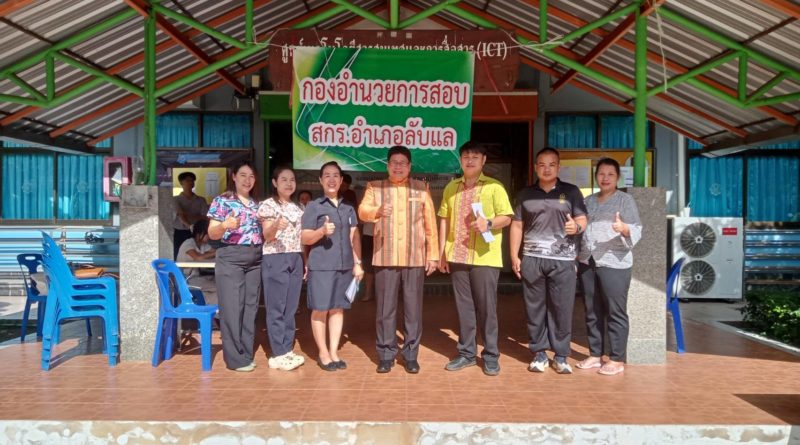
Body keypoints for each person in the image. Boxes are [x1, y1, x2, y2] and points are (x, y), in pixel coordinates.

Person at [358, 146, 439, 374]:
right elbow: (362, 211)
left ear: (410, 166)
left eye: (403, 163)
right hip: (385, 256)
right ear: (387, 165)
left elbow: (430, 224)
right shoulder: (375, 187)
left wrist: (433, 255)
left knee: (413, 310)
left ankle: (411, 355)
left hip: (414, 258)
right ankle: (386, 354)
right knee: (385, 310)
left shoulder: (420, 188)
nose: (398, 166)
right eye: (394, 162)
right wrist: (377, 211)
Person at [509, 147, 588, 375]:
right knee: (534, 308)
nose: (546, 169)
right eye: (542, 164)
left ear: (558, 167)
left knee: (562, 307)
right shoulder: (525, 194)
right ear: (535, 167)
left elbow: (582, 219)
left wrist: (577, 227)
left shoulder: (571, 192)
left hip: (563, 260)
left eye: (551, 165)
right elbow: (517, 225)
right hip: (532, 259)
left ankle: (561, 355)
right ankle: (539, 353)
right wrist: (514, 255)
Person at [438, 142, 513, 376]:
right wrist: (442, 252)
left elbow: (507, 217)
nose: (470, 161)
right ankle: (467, 354)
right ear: (460, 160)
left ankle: (491, 355)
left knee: (487, 309)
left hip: (485, 257)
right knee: (464, 308)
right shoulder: (451, 187)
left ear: (483, 161)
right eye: (466, 157)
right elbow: (444, 219)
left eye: (475, 157)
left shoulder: (494, 187)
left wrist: (488, 223)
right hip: (457, 255)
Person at [576, 158, 642, 376]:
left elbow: (637, 229)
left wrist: (624, 228)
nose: (605, 178)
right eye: (601, 174)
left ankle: (616, 358)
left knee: (615, 311)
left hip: (615, 262)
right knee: (592, 310)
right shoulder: (588, 200)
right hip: (588, 261)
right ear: (596, 176)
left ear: (618, 177)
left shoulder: (625, 200)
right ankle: (595, 355)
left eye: (610, 174)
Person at [301, 161, 363, 372]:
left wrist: (358, 263)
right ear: (320, 180)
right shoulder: (314, 206)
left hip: (344, 266)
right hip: (322, 266)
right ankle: (323, 353)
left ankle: (334, 352)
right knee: (320, 309)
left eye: (335, 175)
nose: (331, 179)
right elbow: (305, 237)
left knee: (337, 309)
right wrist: (321, 231)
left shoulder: (348, 207)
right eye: (327, 175)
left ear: (341, 180)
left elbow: (354, 236)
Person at [207, 161, 263, 372]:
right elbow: (212, 233)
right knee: (232, 308)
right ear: (234, 177)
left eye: (251, 176)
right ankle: (234, 359)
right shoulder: (222, 201)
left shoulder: (257, 204)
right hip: (231, 257)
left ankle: (246, 354)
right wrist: (224, 225)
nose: (247, 180)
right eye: (243, 175)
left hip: (255, 259)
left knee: (250, 308)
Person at [257, 165, 306, 371]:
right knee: (276, 307)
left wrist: (305, 261)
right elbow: (267, 236)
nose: (288, 183)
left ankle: (287, 349)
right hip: (275, 257)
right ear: (275, 183)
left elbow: (302, 238)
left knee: (291, 308)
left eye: (292, 179)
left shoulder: (298, 208)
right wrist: (276, 225)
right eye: (284, 179)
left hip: (295, 257)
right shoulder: (268, 206)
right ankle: (278, 353)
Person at [175, 219, 217, 306]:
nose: (209, 237)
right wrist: (215, 253)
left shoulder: (203, 245)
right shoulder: (188, 243)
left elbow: (213, 252)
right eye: (207, 234)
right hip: (186, 279)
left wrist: (215, 253)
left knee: (217, 282)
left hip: (196, 278)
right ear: (199, 234)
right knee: (218, 286)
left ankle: (213, 310)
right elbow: (198, 257)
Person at [173, 171, 209, 260]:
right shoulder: (175, 199)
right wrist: (189, 225)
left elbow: (205, 217)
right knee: (179, 253)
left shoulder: (201, 200)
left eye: (192, 180)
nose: (191, 182)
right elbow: (180, 214)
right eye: (187, 180)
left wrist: (189, 216)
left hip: (197, 231)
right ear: (181, 183)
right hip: (180, 231)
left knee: (199, 252)